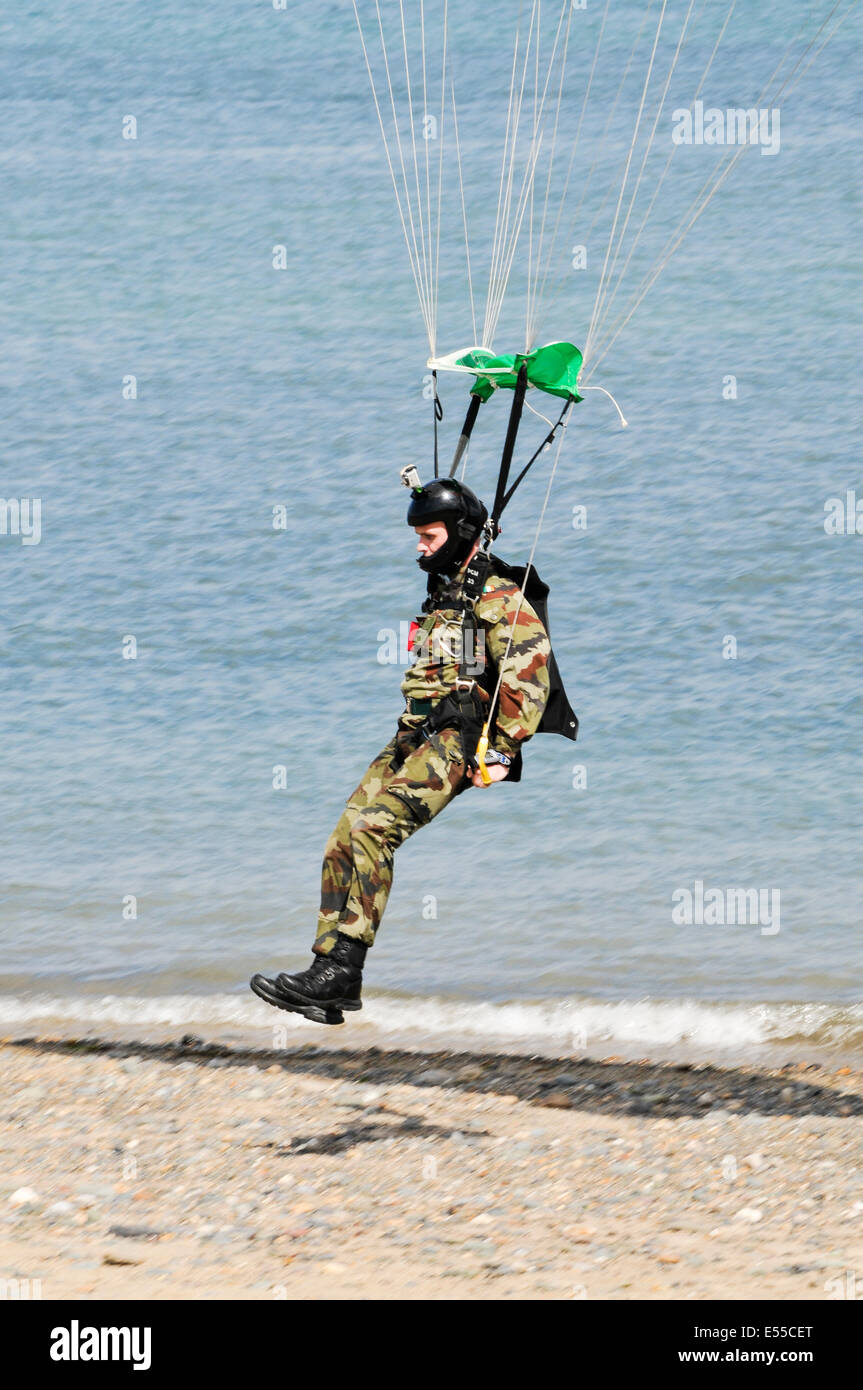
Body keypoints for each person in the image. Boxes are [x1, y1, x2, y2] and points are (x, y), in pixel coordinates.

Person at [250, 475, 561, 1025]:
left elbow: (530, 679)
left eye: (430, 535)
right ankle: (328, 974)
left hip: (460, 741)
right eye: (417, 535)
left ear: (462, 533)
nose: (419, 546)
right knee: (345, 835)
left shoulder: (498, 595)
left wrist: (503, 745)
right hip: (415, 735)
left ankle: (346, 965)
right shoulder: (450, 594)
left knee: (377, 829)